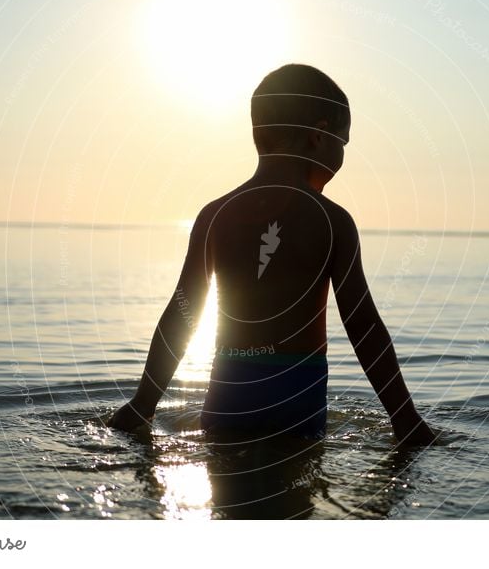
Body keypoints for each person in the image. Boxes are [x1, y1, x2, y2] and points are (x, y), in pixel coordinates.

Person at [106, 64, 438, 446]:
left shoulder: (214, 215)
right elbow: (362, 325)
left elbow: (183, 312)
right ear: (319, 135)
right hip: (297, 404)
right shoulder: (332, 222)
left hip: (228, 402)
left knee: (230, 494)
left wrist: (143, 404)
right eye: (342, 142)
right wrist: (406, 420)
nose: (342, 155)